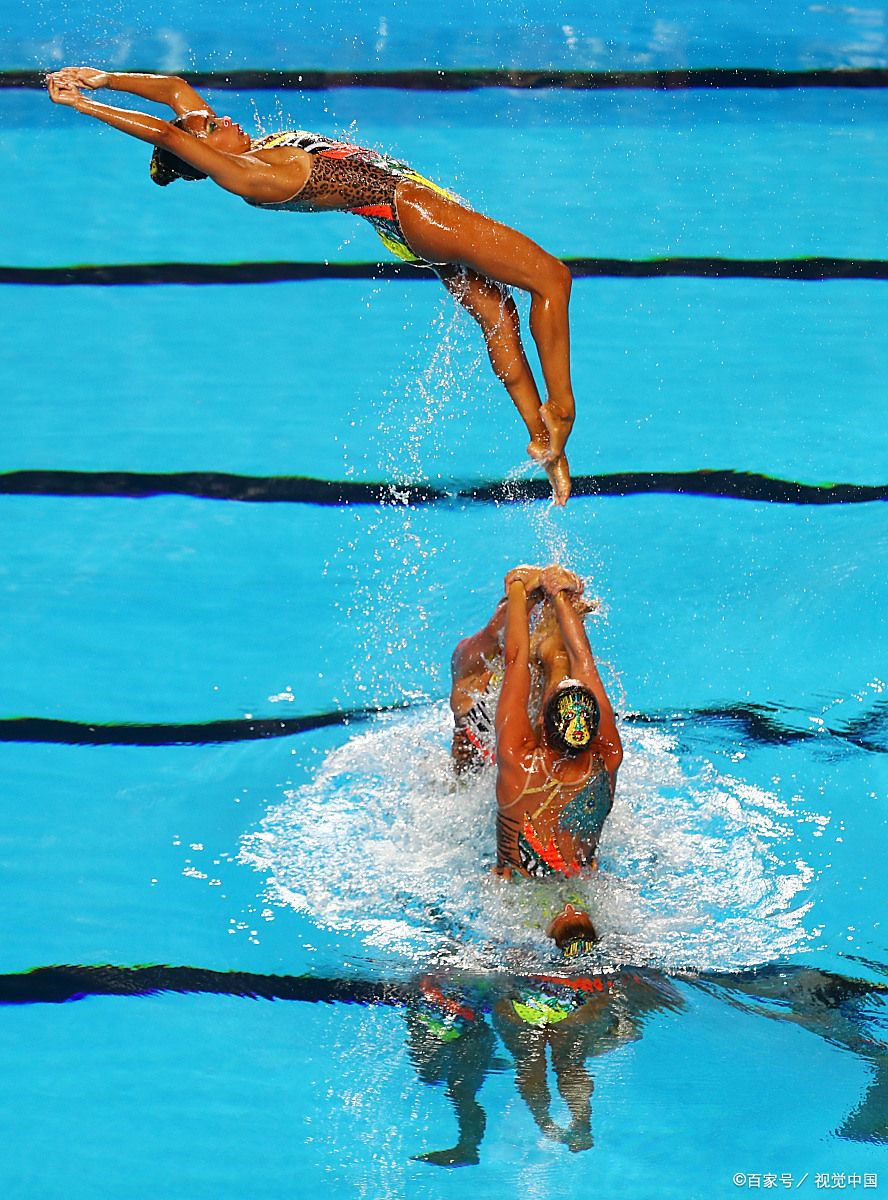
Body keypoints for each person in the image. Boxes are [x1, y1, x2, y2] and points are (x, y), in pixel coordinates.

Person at [46, 67, 577, 504]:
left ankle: (542, 442)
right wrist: (82, 106)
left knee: (496, 311)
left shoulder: (241, 149)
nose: (213, 116)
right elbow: (167, 133)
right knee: (552, 279)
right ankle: (562, 410)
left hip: (402, 222)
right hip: (413, 210)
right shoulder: (252, 176)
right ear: (202, 155)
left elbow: (174, 95)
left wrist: (101, 78)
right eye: (206, 129)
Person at [450, 563, 623, 954]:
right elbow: (587, 666)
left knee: (472, 678)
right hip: (572, 886)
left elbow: (514, 660)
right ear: (596, 731)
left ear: (540, 724)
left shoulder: (518, 762)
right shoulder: (607, 759)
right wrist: (561, 597)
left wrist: (516, 591)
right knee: (560, 657)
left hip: (508, 898)